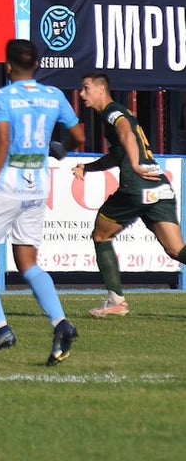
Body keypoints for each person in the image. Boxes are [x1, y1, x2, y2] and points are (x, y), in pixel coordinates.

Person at [0, 39, 85, 365]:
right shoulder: (54, 96)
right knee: (28, 262)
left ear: (7, 66)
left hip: (6, 186)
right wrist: (59, 149)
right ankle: (60, 323)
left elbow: (2, 139)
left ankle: (0, 327)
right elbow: (79, 137)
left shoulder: (1, 97)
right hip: (37, 188)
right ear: (37, 65)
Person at [74, 73, 186, 317]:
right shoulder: (114, 113)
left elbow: (126, 132)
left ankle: (116, 301)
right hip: (159, 185)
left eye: (86, 88)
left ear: (101, 90)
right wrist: (88, 168)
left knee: (101, 235)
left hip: (137, 186)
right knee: (176, 250)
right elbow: (116, 155)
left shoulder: (112, 111)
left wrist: (134, 165)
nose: (82, 94)